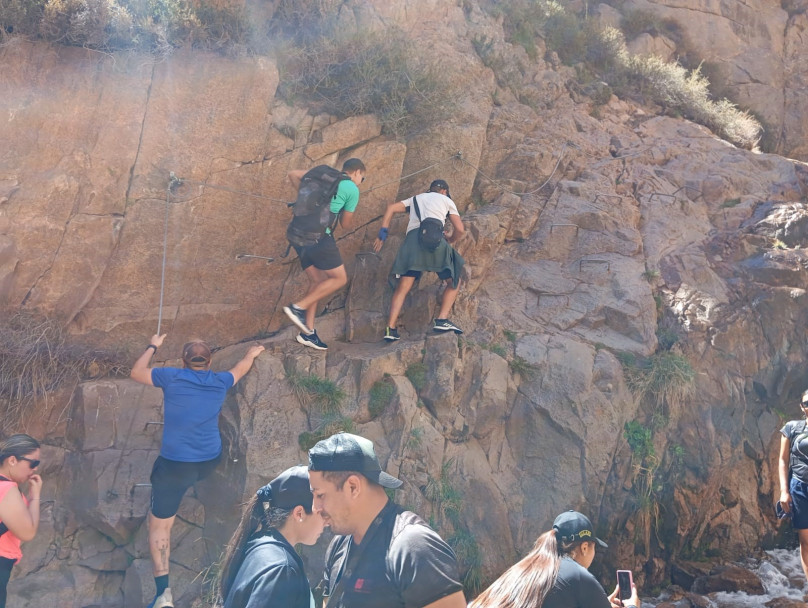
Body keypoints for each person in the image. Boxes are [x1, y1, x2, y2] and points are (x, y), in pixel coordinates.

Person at [130, 334, 265, 608]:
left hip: (175, 467)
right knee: (193, 470)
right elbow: (240, 369)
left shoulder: (172, 377)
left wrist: (153, 344)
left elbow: (136, 372)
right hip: (208, 462)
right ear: (210, 361)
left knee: (159, 524)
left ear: (184, 362)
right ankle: (194, 488)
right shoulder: (220, 381)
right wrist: (251, 353)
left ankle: (163, 595)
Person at [308, 432, 466, 608]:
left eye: (320, 495)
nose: (315, 508)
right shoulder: (338, 546)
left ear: (353, 487)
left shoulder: (414, 548)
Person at [469, 510, 639, 608]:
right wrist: (632, 605)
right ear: (585, 547)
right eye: (594, 548)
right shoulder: (578, 576)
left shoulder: (526, 568)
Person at [283, 158, 367, 351]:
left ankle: (308, 333)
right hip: (318, 238)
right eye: (362, 177)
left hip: (296, 233)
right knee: (339, 279)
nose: (361, 181)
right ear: (356, 173)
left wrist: (308, 202)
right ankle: (298, 308)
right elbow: (346, 224)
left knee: (317, 280)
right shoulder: (352, 189)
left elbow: (293, 174)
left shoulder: (324, 176)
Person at [218, 465, 326, 608]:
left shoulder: (258, 543)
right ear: (299, 514)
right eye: (322, 513)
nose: (327, 522)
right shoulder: (281, 570)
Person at [372, 179, 465, 341]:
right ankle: (442, 319)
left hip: (412, 243)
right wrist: (450, 239)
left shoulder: (416, 199)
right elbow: (460, 229)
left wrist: (382, 234)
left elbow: (391, 208)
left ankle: (390, 328)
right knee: (454, 279)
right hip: (436, 242)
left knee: (403, 287)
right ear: (444, 191)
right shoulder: (446, 200)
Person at [0, 434, 43, 608]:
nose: (34, 469)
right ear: (12, 460)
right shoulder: (6, 489)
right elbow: (28, 532)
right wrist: (35, 497)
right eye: (33, 463)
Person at [778, 388, 808, 581]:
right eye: (806, 403)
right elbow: (782, 460)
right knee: (805, 541)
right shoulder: (792, 428)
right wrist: (784, 491)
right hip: (800, 488)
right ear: (802, 406)